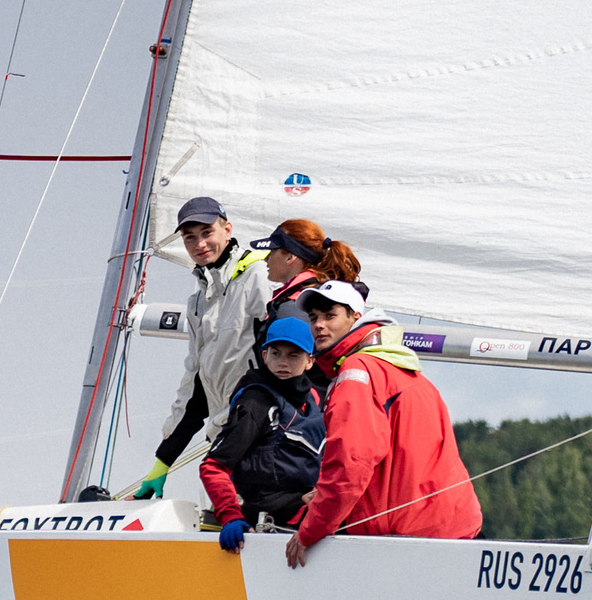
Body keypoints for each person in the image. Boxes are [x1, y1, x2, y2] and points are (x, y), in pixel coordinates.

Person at [285, 281, 481, 566]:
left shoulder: (357, 372)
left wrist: (310, 530)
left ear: (355, 317)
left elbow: (350, 463)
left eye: (329, 315)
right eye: (313, 317)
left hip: (409, 540)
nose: (318, 325)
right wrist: (329, 497)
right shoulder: (402, 368)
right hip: (452, 527)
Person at [129, 196, 278, 499]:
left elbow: (289, 356)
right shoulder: (198, 301)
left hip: (267, 437)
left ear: (227, 230)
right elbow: (196, 384)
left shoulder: (259, 275)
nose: (199, 244)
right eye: (189, 237)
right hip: (225, 438)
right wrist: (163, 461)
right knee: (217, 514)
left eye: (207, 232)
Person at [200, 316, 326, 552]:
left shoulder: (314, 399)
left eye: (293, 355)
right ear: (265, 356)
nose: (283, 363)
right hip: (267, 521)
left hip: (306, 507)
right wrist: (230, 516)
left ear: (309, 361)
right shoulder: (256, 403)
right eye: (276, 354)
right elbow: (213, 466)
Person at [254, 220, 361, 358]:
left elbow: (289, 366)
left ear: (290, 257)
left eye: (272, 252)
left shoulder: (295, 304)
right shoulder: (318, 291)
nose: (266, 259)